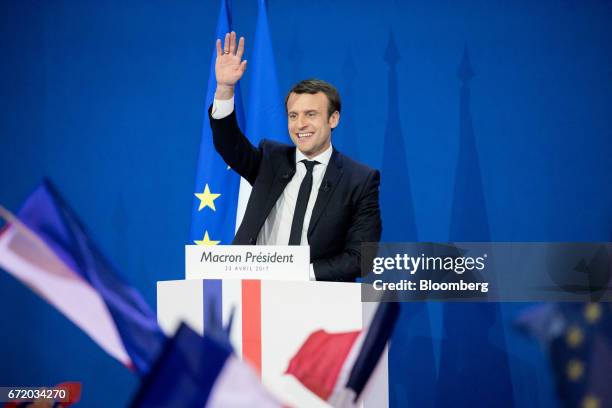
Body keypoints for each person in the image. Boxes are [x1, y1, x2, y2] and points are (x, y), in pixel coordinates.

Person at [209, 31, 381, 282]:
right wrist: (225, 89)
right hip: (253, 294)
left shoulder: (360, 180)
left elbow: (361, 258)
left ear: (333, 119)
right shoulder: (271, 159)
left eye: (310, 114)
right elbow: (228, 145)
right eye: (293, 115)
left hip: (316, 301)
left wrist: (298, 275)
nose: (300, 124)